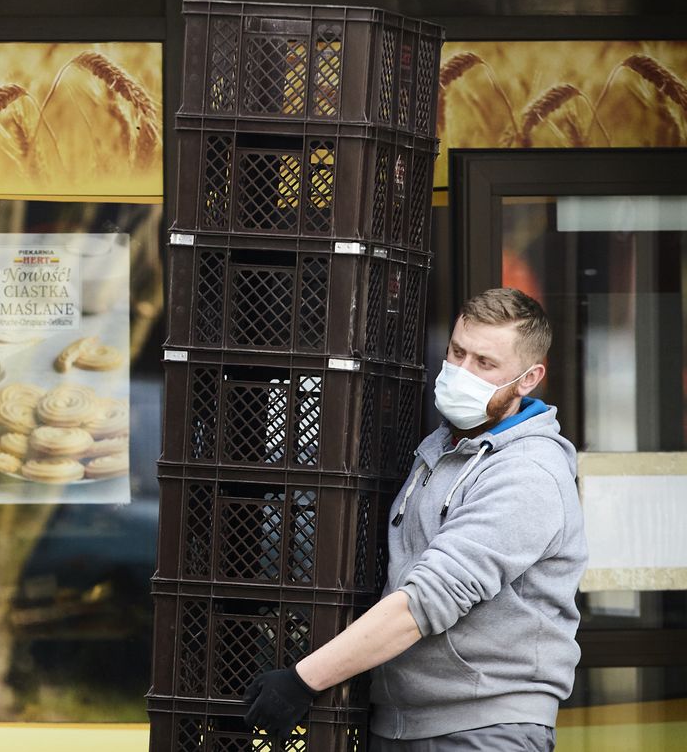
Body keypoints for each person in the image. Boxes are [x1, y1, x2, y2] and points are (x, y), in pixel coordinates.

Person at [245, 288, 587, 751]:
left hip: (483, 732)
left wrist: (303, 680)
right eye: (457, 352)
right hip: (402, 723)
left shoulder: (526, 472)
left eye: (485, 364)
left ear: (529, 378)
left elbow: (427, 600)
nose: (462, 372)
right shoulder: (442, 448)